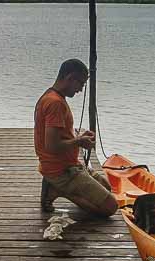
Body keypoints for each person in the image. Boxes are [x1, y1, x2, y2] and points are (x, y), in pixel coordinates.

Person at [34, 59, 117, 217]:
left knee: (106, 188)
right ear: (70, 78)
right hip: (61, 171)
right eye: (81, 84)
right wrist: (79, 142)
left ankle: (58, 186)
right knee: (110, 207)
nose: (80, 89)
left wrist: (79, 138)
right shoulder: (55, 103)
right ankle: (58, 189)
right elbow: (51, 146)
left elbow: (59, 135)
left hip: (68, 164)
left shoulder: (50, 96)